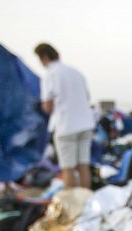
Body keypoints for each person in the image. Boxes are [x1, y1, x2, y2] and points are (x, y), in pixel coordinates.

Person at [35, 43, 95, 190]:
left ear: (44, 57)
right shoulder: (75, 72)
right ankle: (86, 202)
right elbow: (87, 97)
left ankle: (72, 204)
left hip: (65, 125)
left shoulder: (50, 74)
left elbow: (48, 106)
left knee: (68, 169)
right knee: (83, 166)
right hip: (86, 123)